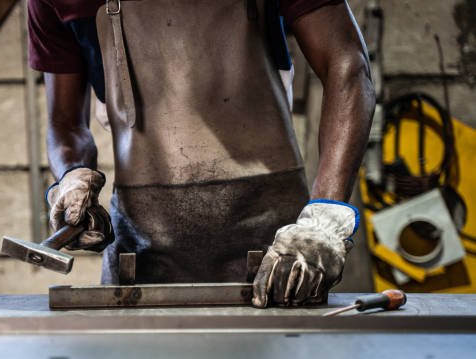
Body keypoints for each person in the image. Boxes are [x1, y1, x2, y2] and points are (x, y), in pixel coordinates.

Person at [28, 0, 375, 307]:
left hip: (275, 250)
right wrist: (72, 176)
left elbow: (347, 64)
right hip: (142, 254)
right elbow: (64, 123)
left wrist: (325, 219)